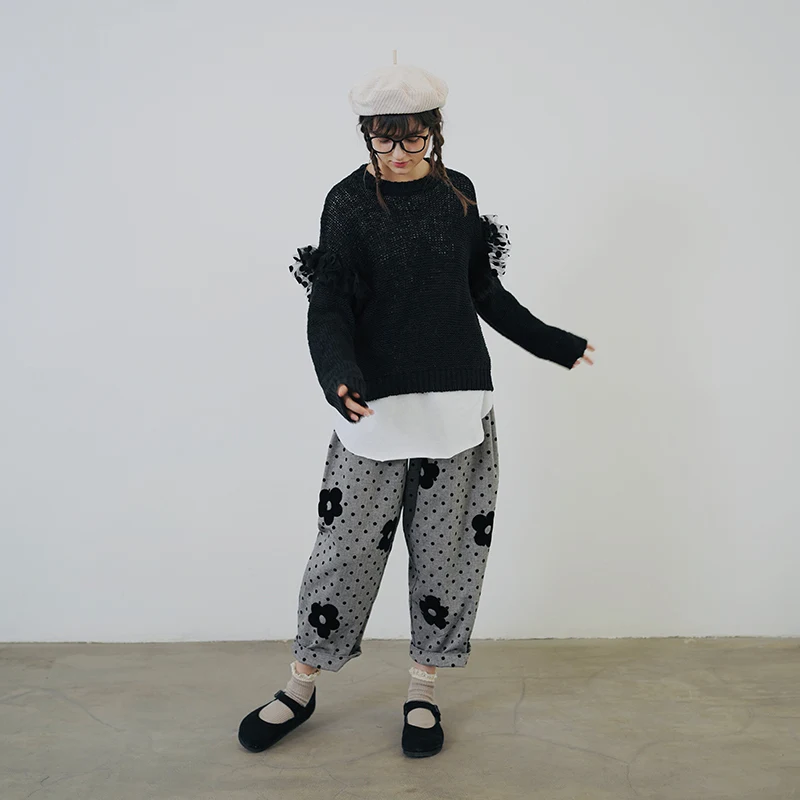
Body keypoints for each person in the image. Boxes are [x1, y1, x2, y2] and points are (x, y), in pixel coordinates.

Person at [238, 56, 595, 759]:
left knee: (448, 555)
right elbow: (328, 303)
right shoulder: (347, 203)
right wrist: (339, 375)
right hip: (374, 411)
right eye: (385, 139)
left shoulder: (458, 195)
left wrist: (554, 343)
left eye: (413, 138)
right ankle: (301, 686)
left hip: (456, 405)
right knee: (343, 553)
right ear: (366, 134)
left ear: (434, 131)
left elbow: (482, 292)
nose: (399, 154)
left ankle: (423, 690)